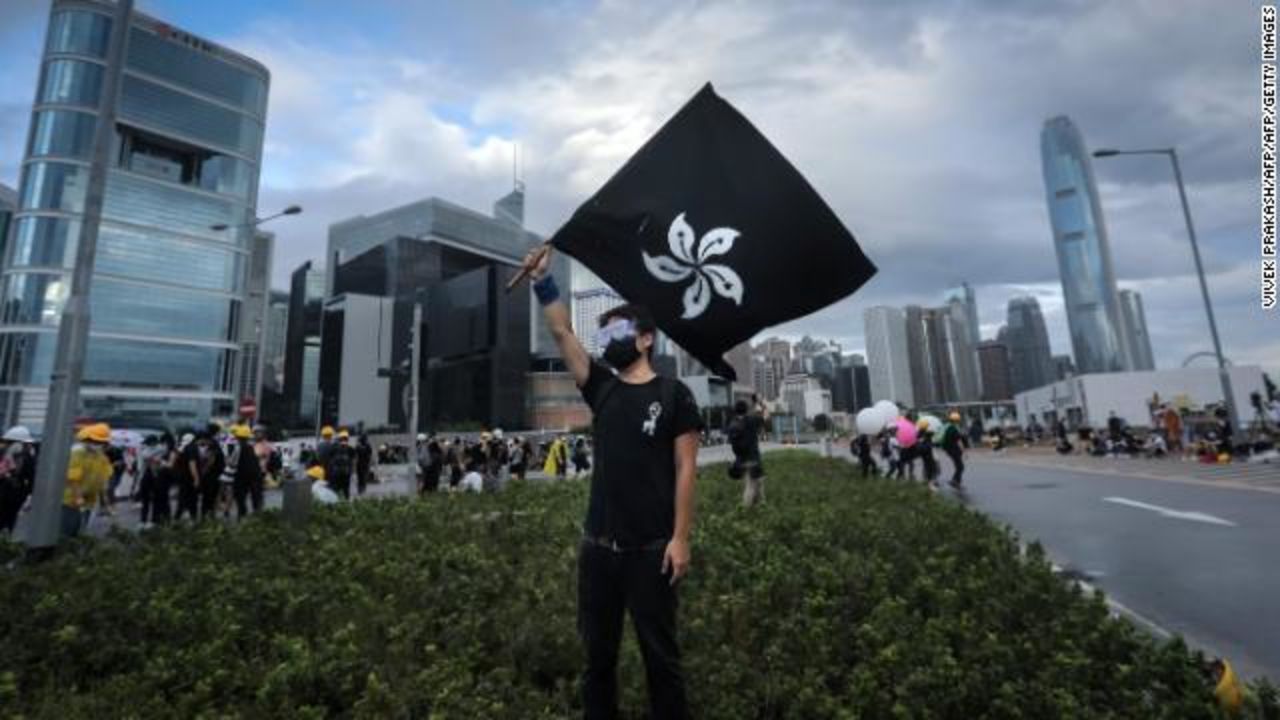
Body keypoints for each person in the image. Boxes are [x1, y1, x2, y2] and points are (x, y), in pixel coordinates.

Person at [525, 246, 701, 719]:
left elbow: (686, 468)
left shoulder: (674, 394)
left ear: (646, 339)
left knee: (661, 661)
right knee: (597, 662)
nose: (608, 340)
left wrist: (680, 538)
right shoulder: (601, 387)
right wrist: (544, 281)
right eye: (604, 333)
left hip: (652, 550)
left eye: (618, 331)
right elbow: (562, 330)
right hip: (598, 549)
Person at [63, 423, 113, 538]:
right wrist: (78, 497)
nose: (98, 445)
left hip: (89, 502)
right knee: (68, 531)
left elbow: (103, 481)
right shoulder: (77, 454)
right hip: (70, 500)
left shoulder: (102, 458)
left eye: (101, 443)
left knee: (82, 531)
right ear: (87, 440)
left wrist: (106, 502)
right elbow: (73, 478)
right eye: (95, 442)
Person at [727, 397, 768, 506]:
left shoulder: (732, 424)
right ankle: (746, 510)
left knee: (756, 482)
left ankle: (759, 506)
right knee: (752, 485)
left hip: (740, 460)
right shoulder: (752, 420)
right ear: (746, 409)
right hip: (753, 458)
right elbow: (765, 415)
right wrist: (761, 403)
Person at [0, 426, 37, 535]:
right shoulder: (28, 456)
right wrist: (30, 493)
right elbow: (31, 477)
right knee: (11, 520)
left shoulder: (2, 452)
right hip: (17, 493)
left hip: (3, 490)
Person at [187, 429, 226, 521]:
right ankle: (208, 516)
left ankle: (205, 517)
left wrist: (201, 475)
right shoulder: (213, 445)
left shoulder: (213, 447)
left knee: (208, 497)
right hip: (216, 475)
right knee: (210, 498)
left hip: (212, 476)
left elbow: (209, 463)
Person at [226, 424, 264, 518]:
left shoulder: (238, 448)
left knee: (240, 497)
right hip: (256, 475)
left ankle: (242, 515)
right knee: (255, 496)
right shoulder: (253, 447)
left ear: (238, 437)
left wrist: (228, 461)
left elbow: (232, 463)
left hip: (241, 476)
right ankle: (257, 515)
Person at [173, 433, 198, 521]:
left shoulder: (181, 449)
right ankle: (191, 519)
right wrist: (196, 478)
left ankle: (178, 518)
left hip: (181, 476)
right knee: (191, 499)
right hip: (189, 478)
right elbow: (192, 465)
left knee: (183, 498)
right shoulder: (192, 449)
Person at [940, 412, 967, 488]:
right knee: (960, 466)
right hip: (954, 450)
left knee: (958, 466)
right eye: (958, 420)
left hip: (949, 450)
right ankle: (954, 481)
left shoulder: (947, 428)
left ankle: (957, 481)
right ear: (956, 420)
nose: (958, 422)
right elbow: (959, 441)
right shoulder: (954, 429)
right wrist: (964, 451)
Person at [327, 431, 355, 499]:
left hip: (336, 473)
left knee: (336, 489)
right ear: (347, 439)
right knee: (346, 490)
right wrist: (351, 471)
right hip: (346, 473)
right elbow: (353, 460)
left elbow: (329, 459)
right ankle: (346, 503)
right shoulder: (350, 448)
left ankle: (336, 503)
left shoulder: (333, 447)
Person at [916, 419, 940, 490]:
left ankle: (928, 481)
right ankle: (931, 483)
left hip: (925, 454)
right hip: (929, 454)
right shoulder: (926, 435)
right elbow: (930, 443)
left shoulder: (919, 435)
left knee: (928, 467)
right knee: (933, 468)